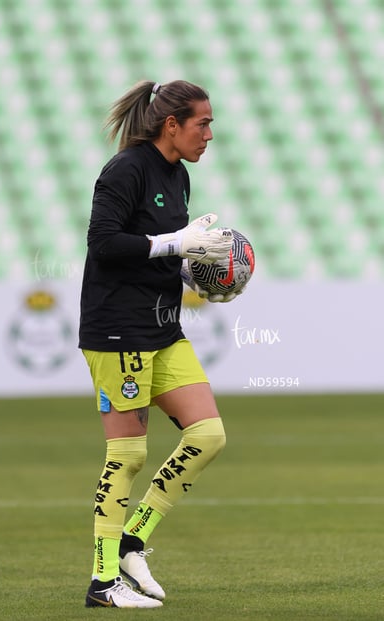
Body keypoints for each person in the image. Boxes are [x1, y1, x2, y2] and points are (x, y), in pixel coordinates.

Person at [79, 79, 236, 609]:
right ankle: (103, 583)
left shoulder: (179, 175)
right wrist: (175, 242)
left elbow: (158, 252)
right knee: (127, 454)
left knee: (208, 435)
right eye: (203, 123)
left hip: (163, 327)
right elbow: (103, 243)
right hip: (117, 329)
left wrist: (197, 273)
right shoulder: (127, 169)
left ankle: (132, 540)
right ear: (172, 125)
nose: (210, 134)